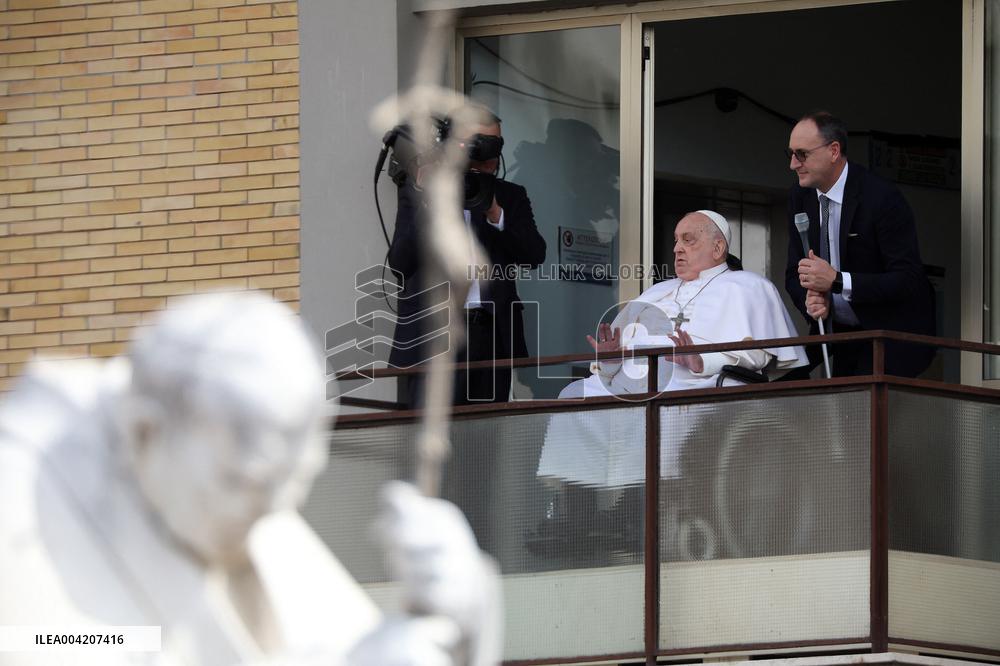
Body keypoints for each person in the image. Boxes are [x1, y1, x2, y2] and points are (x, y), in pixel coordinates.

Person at [0, 292, 501, 666]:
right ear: (146, 431)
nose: (274, 512)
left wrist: (452, 620)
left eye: (294, 482)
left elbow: (319, 642)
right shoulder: (17, 498)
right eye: (249, 485)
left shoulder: (218, 479)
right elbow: (70, 643)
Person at [536, 211, 808, 489]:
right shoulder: (657, 291)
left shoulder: (749, 287)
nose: (677, 248)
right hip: (636, 378)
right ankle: (575, 501)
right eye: (676, 241)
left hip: (697, 381)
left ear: (718, 248)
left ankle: (641, 498)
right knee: (575, 396)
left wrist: (701, 360)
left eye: (688, 240)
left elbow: (758, 355)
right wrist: (612, 359)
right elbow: (623, 356)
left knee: (657, 401)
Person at [387, 106, 546, 407]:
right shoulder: (421, 191)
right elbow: (400, 262)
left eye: (496, 144)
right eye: (480, 143)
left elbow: (535, 255)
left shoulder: (510, 196)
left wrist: (496, 214)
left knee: (484, 435)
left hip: (491, 335)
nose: (489, 153)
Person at [784, 111, 936, 377]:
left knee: (868, 411)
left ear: (834, 151)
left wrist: (838, 281)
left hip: (889, 335)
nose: (793, 164)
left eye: (802, 154)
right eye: (791, 154)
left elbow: (908, 278)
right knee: (789, 382)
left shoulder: (881, 197)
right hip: (839, 334)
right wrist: (810, 302)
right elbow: (793, 272)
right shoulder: (800, 196)